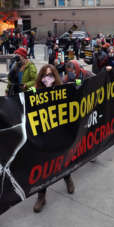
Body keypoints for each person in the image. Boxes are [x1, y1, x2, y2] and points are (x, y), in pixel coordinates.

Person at [32, 65, 75, 213]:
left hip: (58, 132)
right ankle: (41, 197)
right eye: (44, 75)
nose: (47, 78)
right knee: (45, 164)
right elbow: (24, 101)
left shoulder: (61, 89)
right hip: (44, 134)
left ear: (55, 76)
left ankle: (68, 178)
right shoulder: (35, 90)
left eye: (50, 75)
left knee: (62, 158)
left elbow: (74, 94)